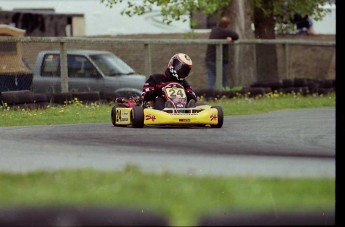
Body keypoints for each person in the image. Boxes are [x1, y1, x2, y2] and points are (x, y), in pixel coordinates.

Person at [205, 16, 239, 89]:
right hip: (220, 60)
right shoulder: (225, 32)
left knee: (211, 78)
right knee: (224, 79)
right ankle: (224, 94)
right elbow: (236, 36)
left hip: (209, 59)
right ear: (227, 25)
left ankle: (208, 94)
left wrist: (230, 37)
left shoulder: (214, 30)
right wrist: (231, 37)